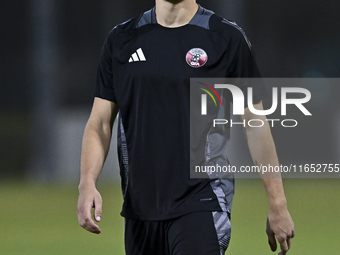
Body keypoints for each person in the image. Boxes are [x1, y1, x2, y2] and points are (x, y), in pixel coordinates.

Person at [77, 0, 295, 254]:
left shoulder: (225, 37)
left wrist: (277, 203)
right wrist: (87, 183)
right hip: (140, 210)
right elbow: (100, 123)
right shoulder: (122, 39)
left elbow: (255, 125)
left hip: (203, 199)